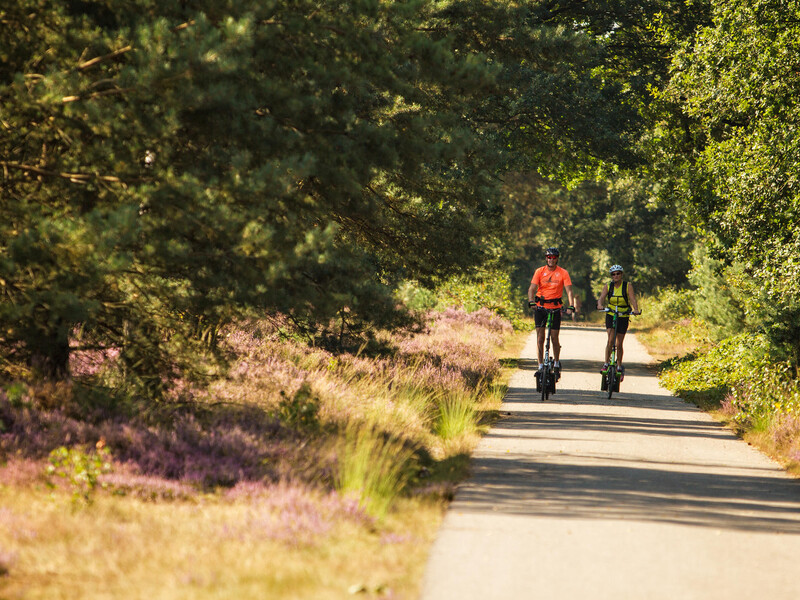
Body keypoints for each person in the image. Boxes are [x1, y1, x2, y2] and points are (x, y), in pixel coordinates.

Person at [527, 247, 577, 374]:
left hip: (555, 308)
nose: (551, 259)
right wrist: (531, 301)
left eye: (553, 257)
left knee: (554, 338)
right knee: (540, 338)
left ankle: (556, 362)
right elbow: (532, 288)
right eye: (549, 257)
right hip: (540, 307)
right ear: (546, 258)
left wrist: (571, 306)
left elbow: (569, 291)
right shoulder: (539, 271)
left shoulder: (563, 273)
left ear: (557, 259)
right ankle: (539, 365)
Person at [596, 264, 641, 377]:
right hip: (611, 314)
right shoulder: (608, 286)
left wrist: (635, 309)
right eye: (613, 274)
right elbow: (601, 298)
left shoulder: (627, 285)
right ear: (611, 276)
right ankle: (606, 363)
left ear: (621, 274)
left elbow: (632, 299)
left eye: (618, 273)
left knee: (619, 343)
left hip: (623, 315)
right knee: (610, 340)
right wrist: (600, 305)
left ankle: (619, 365)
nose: (616, 276)